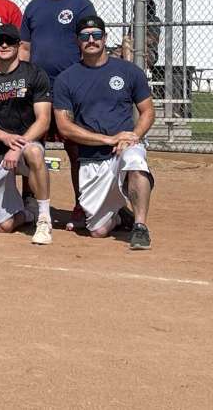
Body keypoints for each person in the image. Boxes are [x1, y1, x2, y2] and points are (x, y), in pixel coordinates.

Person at [53, 16, 154, 250]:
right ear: (77, 41)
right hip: (91, 158)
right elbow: (64, 126)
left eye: (97, 35)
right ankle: (119, 215)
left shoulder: (129, 72)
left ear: (105, 38)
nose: (91, 40)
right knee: (97, 231)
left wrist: (133, 136)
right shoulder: (66, 79)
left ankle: (140, 227)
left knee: (136, 161)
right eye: (85, 36)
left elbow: (148, 111)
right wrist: (107, 139)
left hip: (124, 149)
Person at [19, 0, 96, 215]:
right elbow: (25, 49)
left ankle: (82, 204)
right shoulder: (34, 6)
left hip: (70, 89)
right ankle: (30, 203)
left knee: (76, 149)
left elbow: (90, 45)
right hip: (38, 89)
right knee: (32, 146)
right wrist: (24, 80)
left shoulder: (81, 5)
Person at [0, 23, 54, 244]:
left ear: (18, 45)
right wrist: (4, 138)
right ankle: (29, 212)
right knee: (4, 227)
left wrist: (16, 146)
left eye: (9, 41)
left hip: (24, 147)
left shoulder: (34, 73)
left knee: (35, 152)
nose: (4, 45)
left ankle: (44, 218)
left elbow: (43, 120)